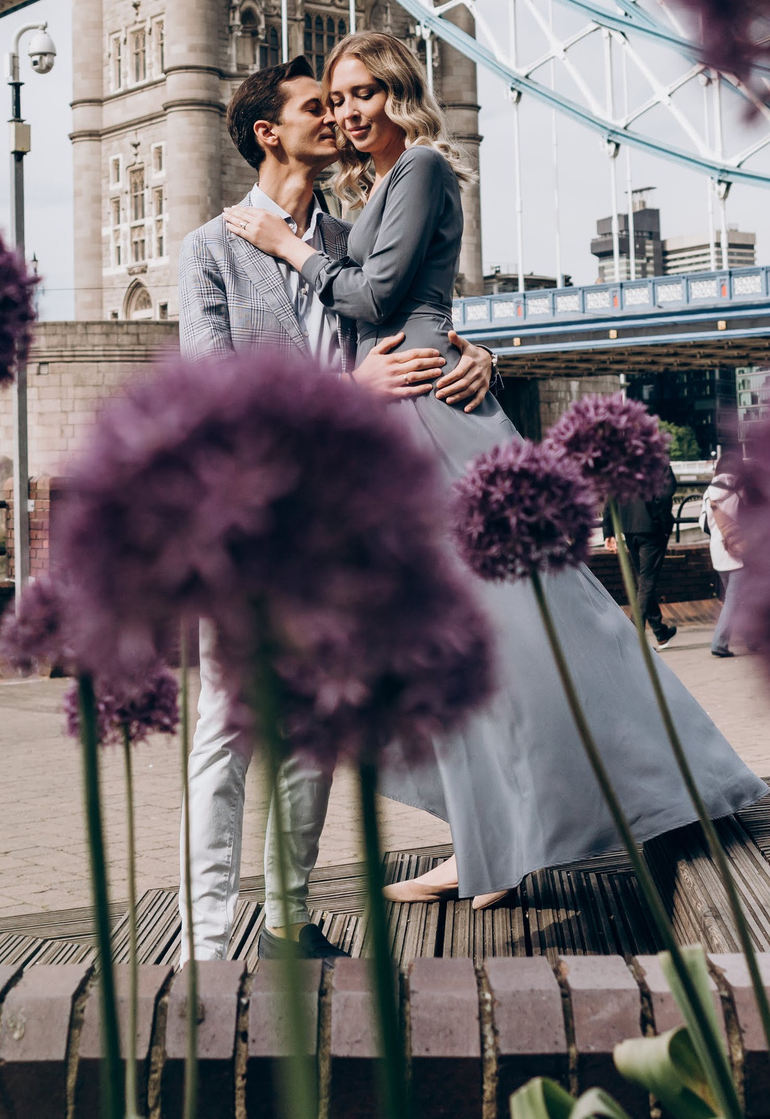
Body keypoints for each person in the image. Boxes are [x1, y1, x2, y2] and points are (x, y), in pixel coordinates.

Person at [225, 30, 768, 909]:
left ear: (398, 90)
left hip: (433, 419)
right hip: (409, 415)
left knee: (529, 620)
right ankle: (493, 841)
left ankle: (588, 813)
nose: (348, 112)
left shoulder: (425, 167)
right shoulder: (382, 189)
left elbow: (373, 299)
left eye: (362, 93)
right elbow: (401, 304)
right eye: (334, 99)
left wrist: (293, 252)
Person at [176, 55, 498, 962]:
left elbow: (425, 322)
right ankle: (204, 940)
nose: (343, 117)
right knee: (226, 733)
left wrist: (482, 362)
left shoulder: (353, 239)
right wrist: (349, 388)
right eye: (319, 106)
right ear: (269, 134)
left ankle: (287, 921)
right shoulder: (209, 249)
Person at [613, 450, 680, 648]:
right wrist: (665, 524)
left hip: (629, 527)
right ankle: (633, 636)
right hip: (652, 529)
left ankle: (660, 631)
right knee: (646, 582)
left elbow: (612, 496)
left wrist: (610, 529)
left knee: (643, 580)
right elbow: (665, 493)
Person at [697, 465, 744, 658]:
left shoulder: (709, 493)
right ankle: (719, 642)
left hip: (717, 550)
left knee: (735, 597)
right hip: (739, 550)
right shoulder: (741, 491)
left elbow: (702, 524)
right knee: (734, 599)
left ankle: (751, 637)